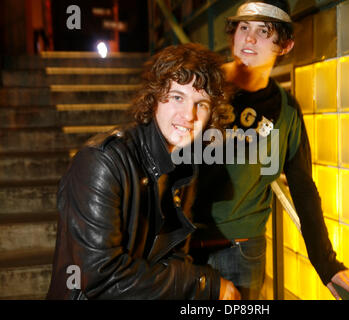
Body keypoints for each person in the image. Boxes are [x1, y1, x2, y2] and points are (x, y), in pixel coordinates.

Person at [190, 0, 349, 300]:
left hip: (242, 249)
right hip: (184, 243)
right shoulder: (200, 84)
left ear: (284, 45)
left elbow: (303, 188)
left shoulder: (286, 110)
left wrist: (326, 263)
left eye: (264, 31)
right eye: (244, 27)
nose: (250, 39)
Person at [46, 43, 240, 300]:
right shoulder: (102, 162)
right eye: (178, 97)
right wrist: (204, 283)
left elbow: (174, 256)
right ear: (154, 98)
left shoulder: (183, 165)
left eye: (201, 104)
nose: (189, 115)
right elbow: (99, 276)